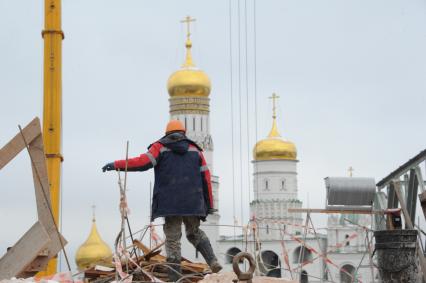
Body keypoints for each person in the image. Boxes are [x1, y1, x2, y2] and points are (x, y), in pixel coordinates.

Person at [102, 120, 222, 281]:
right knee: (194, 232)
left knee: (173, 240)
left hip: (170, 203)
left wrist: (116, 164)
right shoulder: (196, 150)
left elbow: (142, 163)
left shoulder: (160, 147)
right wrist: (209, 204)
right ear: (183, 133)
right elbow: (206, 178)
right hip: (193, 201)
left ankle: (174, 279)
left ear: (167, 134)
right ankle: (213, 260)